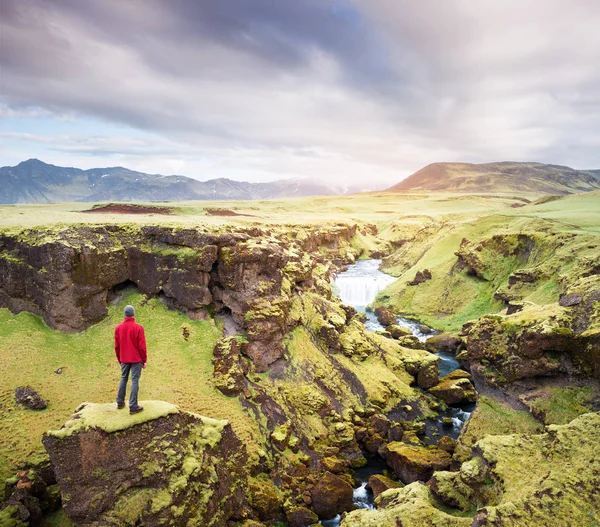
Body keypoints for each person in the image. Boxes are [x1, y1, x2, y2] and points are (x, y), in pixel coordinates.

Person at [115, 305, 147, 414]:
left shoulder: (118, 328)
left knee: (123, 378)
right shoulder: (138, 328)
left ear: (125, 314)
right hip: (136, 359)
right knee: (134, 380)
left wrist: (120, 359)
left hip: (124, 358)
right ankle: (133, 406)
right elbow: (142, 347)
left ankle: (120, 402)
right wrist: (144, 360)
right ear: (133, 314)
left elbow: (117, 346)